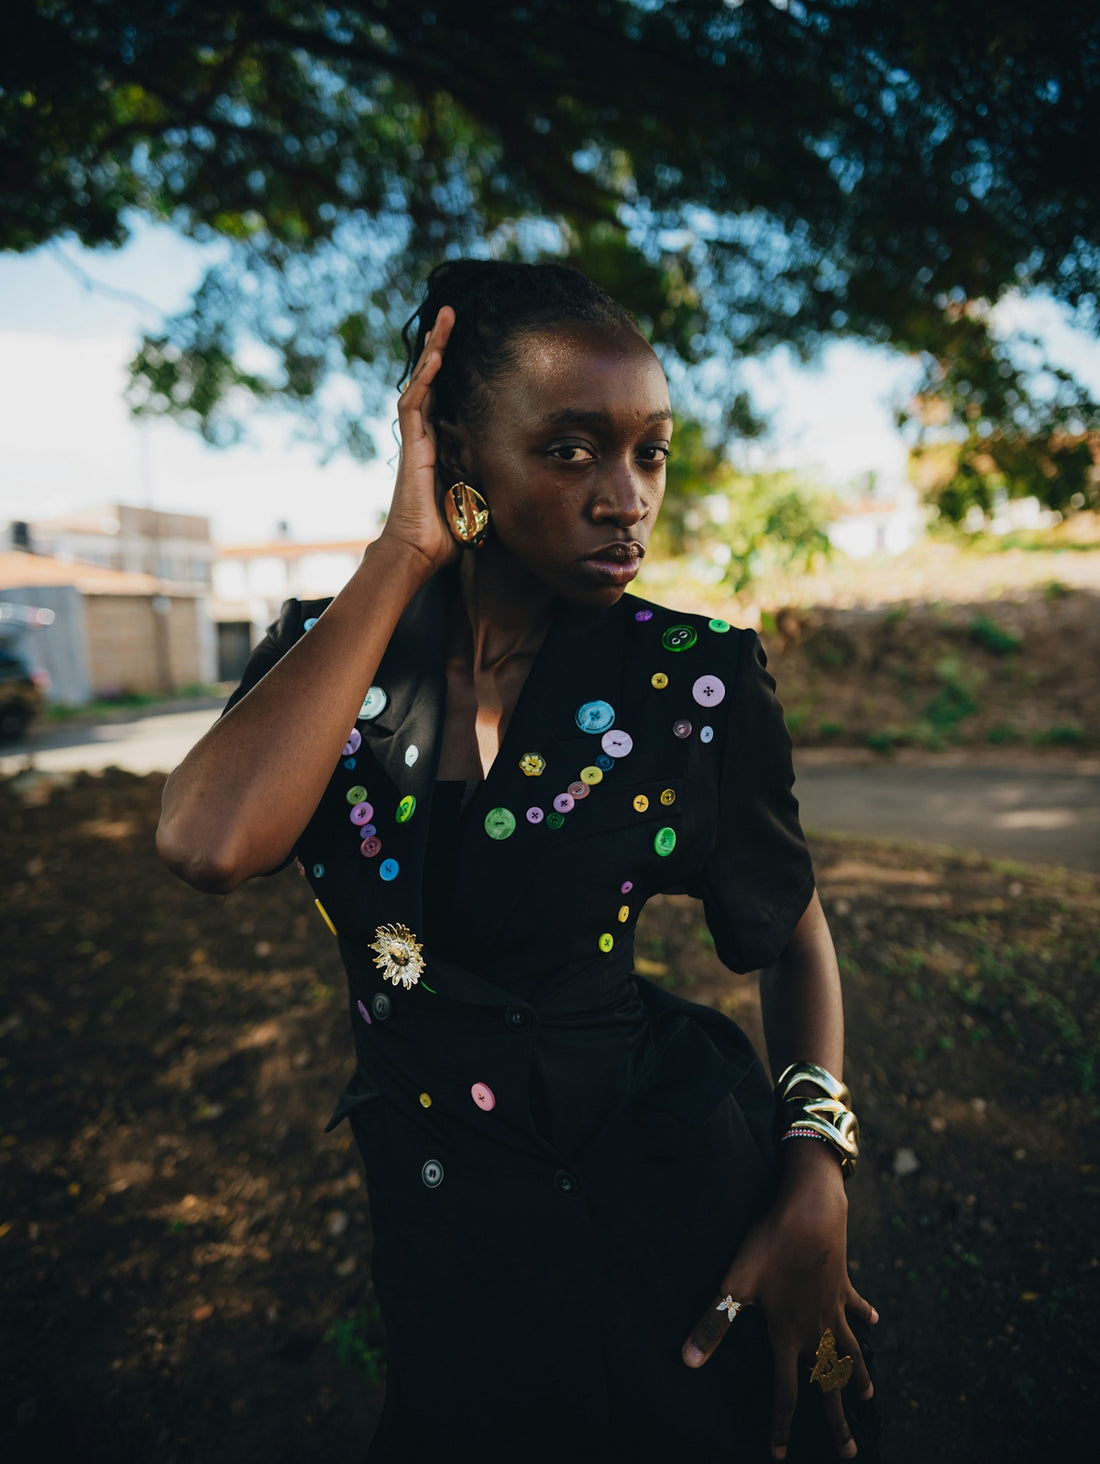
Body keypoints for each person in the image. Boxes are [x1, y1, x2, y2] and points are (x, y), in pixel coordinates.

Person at [157, 260, 880, 1463]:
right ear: (458, 455)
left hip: (671, 1196)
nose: (625, 497)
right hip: (446, 1226)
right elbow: (209, 843)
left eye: (649, 453)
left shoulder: (694, 684)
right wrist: (401, 551)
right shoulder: (332, 664)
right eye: (571, 450)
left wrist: (816, 1161)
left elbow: (788, 927)